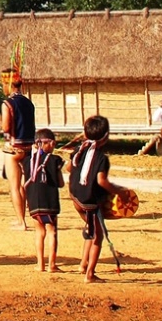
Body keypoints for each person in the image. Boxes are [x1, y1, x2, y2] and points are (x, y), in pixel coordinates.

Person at [68, 114, 128, 283]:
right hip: (89, 202)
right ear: (106, 136)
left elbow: (68, 167)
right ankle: (90, 274)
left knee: (90, 229)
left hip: (75, 198)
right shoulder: (101, 158)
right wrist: (120, 192)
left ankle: (83, 264)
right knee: (97, 237)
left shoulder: (79, 150)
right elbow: (102, 181)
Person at [0, 69, 37, 230]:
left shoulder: (7, 103)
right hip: (28, 147)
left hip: (13, 149)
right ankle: (27, 218)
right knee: (24, 186)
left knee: (14, 186)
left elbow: (6, 127)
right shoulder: (28, 102)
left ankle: (21, 221)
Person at [24, 128, 64, 272]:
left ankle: (40, 264)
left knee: (39, 232)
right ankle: (52, 265)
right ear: (51, 143)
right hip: (50, 202)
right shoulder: (55, 160)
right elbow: (60, 183)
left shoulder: (28, 161)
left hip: (34, 203)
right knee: (52, 231)